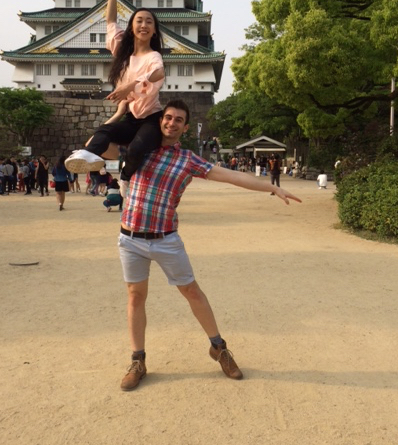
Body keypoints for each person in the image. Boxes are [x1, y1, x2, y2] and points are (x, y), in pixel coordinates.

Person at [117, 99, 302, 391]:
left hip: (165, 238)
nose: (171, 123)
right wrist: (118, 113)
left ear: (185, 127)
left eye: (178, 119)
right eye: (167, 117)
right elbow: (99, 147)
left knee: (192, 291)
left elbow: (231, 176)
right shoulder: (139, 147)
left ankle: (219, 347)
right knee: (135, 297)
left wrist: (272, 186)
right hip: (130, 239)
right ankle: (138, 361)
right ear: (159, 120)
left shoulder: (188, 160)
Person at [65, 0, 165, 197]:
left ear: (154, 31)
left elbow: (159, 73)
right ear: (131, 27)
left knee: (137, 148)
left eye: (149, 22)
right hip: (131, 117)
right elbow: (110, 21)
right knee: (105, 130)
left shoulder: (153, 56)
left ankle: (126, 179)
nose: (143, 25)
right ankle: (89, 155)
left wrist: (131, 85)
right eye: (139, 20)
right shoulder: (121, 50)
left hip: (150, 118)